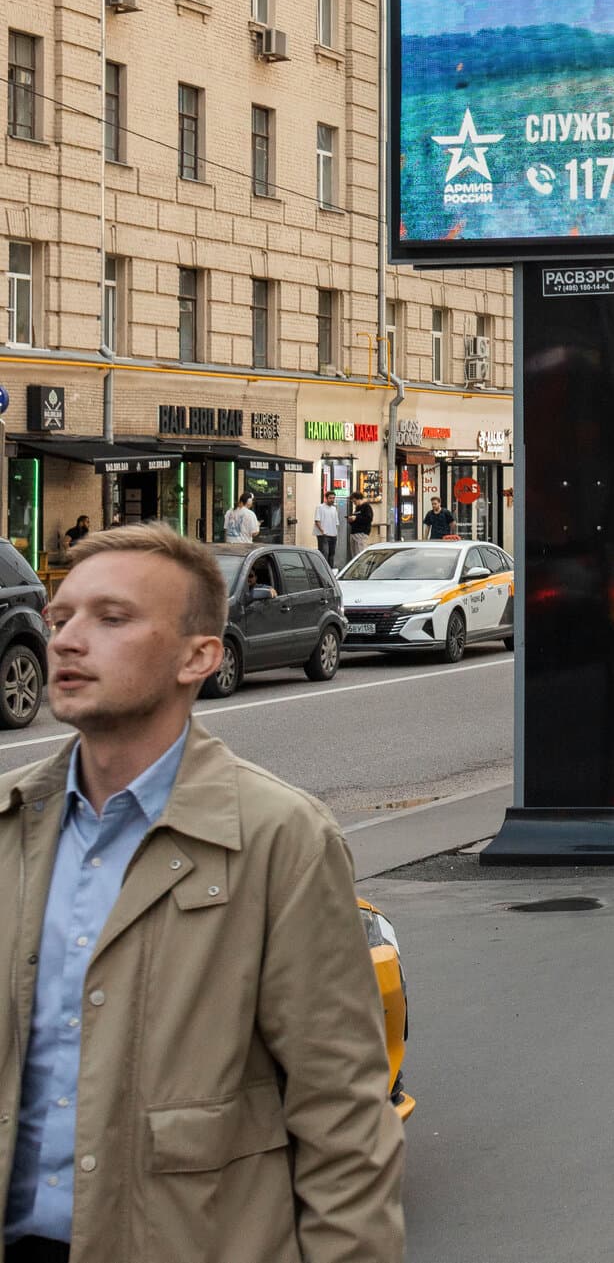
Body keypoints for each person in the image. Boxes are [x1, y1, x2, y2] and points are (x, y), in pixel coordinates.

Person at [0, 522, 404, 1261]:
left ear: (201, 655)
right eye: (61, 617)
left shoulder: (278, 837)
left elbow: (342, 1117)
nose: (66, 639)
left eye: (112, 618)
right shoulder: (9, 823)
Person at [312, 489, 341, 566]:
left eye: (333, 498)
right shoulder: (320, 507)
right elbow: (317, 520)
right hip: (323, 535)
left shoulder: (334, 509)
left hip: (333, 535)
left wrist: (335, 533)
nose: (332, 500)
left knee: (331, 554)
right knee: (324, 553)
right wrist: (322, 531)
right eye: (330, 498)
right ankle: (323, 570)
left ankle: (330, 571)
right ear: (326, 498)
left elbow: (336, 522)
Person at [348, 491, 374, 560]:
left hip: (361, 533)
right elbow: (356, 520)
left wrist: (356, 518)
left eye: (355, 501)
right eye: (353, 502)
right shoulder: (357, 508)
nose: (354, 503)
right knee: (354, 555)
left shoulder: (366, 507)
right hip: (354, 532)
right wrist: (351, 520)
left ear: (359, 499)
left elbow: (368, 519)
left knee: (360, 554)